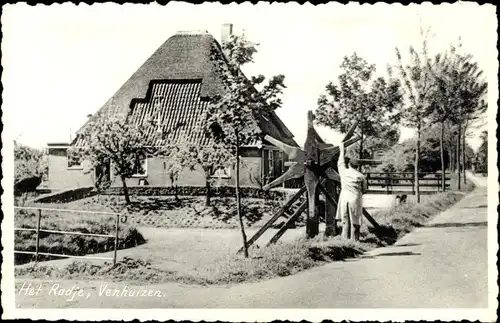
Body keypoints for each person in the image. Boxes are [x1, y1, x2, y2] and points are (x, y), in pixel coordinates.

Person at [335, 143, 368, 241]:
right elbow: (364, 189)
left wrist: (342, 150)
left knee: (345, 221)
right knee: (355, 222)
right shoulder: (361, 176)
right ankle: (355, 241)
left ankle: (345, 241)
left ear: (348, 164)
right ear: (357, 166)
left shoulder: (343, 172)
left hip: (344, 198)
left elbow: (340, 162)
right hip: (355, 199)